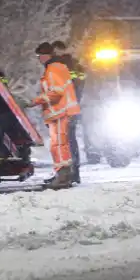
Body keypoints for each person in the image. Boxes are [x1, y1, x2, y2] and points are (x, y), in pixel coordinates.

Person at [31, 42, 80, 189]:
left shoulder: (53, 69)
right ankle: (65, 174)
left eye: (39, 56)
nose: (39, 59)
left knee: (58, 145)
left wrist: (35, 101)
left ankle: (63, 175)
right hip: (63, 112)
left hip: (59, 112)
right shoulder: (59, 67)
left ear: (46, 56)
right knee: (62, 145)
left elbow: (55, 93)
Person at [51, 40, 86, 183]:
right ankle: (72, 173)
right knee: (69, 141)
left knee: (66, 142)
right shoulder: (75, 64)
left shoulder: (64, 65)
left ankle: (69, 173)